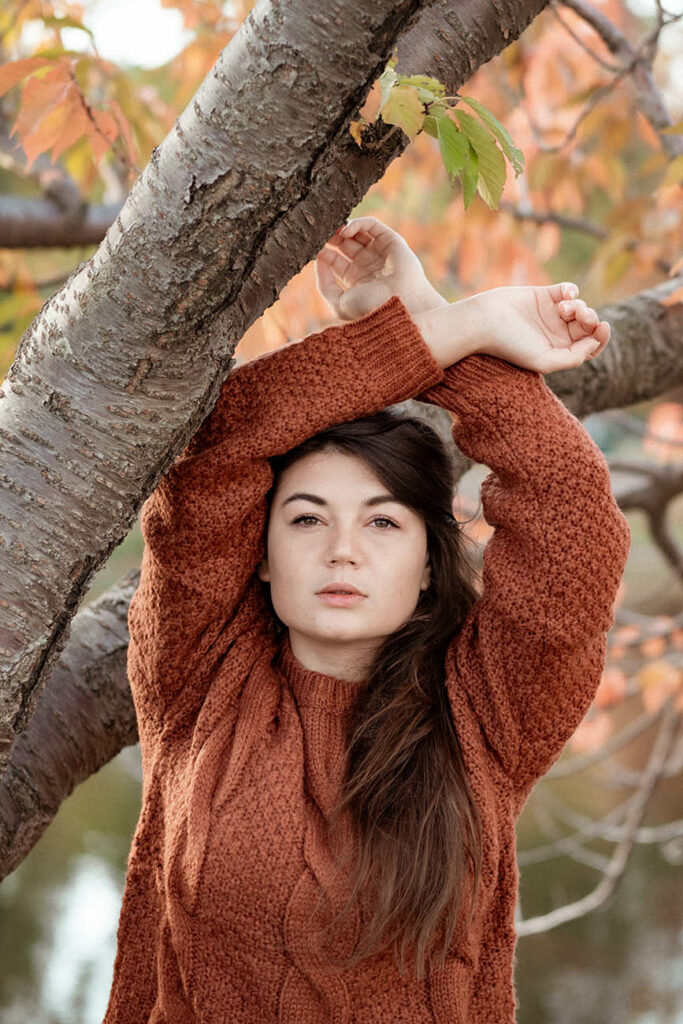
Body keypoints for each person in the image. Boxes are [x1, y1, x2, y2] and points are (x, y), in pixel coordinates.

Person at [104, 216, 631, 1023]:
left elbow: (570, 514)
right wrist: (444, 331)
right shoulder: (197, 679)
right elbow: (217, 448)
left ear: (427, 562)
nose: (342, 551)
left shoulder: (485, 714)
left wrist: (443, 333)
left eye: (383, 523)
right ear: (264, 552)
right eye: (308, 520)